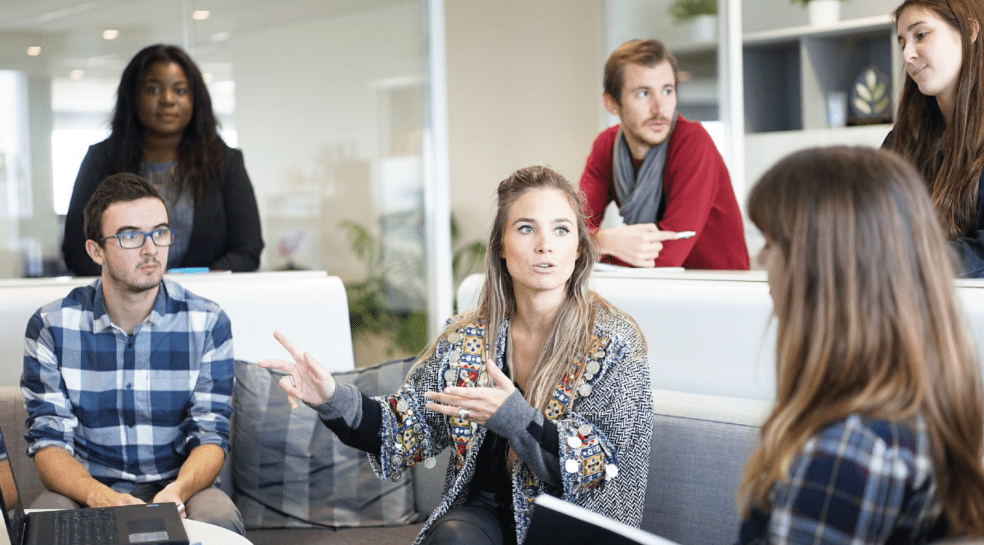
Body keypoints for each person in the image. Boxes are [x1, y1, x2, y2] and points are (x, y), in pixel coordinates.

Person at [260, 165, 652, 545]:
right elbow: (406, 426)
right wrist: (331, 398)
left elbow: (599, 465)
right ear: (501, 246)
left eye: (561, 229)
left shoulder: (615, 341)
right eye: (526, 228)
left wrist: (515, 418)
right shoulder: (467, 338)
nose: (544, 244)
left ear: (579, 247)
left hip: (570, 524)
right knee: (454, 537)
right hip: (484, 519)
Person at [738, 146, 984, 543]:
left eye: (771, 244)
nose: (759, 259)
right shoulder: (912, 410)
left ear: (820, 268)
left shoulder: (848, 451)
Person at [23, 173, 242, 534]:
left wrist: (176, 492)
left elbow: (211, 434)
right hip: (87, 489)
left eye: (160, 232)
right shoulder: (51, 326)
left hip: (178, 486)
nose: (150, 249)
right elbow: (48, 442)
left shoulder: (208, 322)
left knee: (219, 517)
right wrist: (101, 497)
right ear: (96, 251)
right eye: (130, 236)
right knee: (44, 519)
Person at [62, 43, 263, 276]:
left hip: (204, 295)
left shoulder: (225, 163)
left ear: (195, 99)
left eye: (180, 91)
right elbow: (77, 251)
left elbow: (247, 251)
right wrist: (138, 282)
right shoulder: (101, 160)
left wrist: (184, 282)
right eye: (154, 89)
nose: (168, 100)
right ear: (133, 96)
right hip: (123, 297)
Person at [885, 0, 984, 278]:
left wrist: (894, 264)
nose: (907, 54)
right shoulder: (905, 135)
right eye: (902, 42)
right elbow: (870, 226)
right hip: (917, 301)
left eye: (921, 35)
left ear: (969, 31)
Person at [579, 38, 748, 269]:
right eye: (643, 93)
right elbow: (572, 231)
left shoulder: (692, 143)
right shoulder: (606, 146)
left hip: (716, 286)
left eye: (667, 91)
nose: (659, 108)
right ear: (612, 104)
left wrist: (593, 245)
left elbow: (666, 257)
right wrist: (604, 241)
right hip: (652, 285)